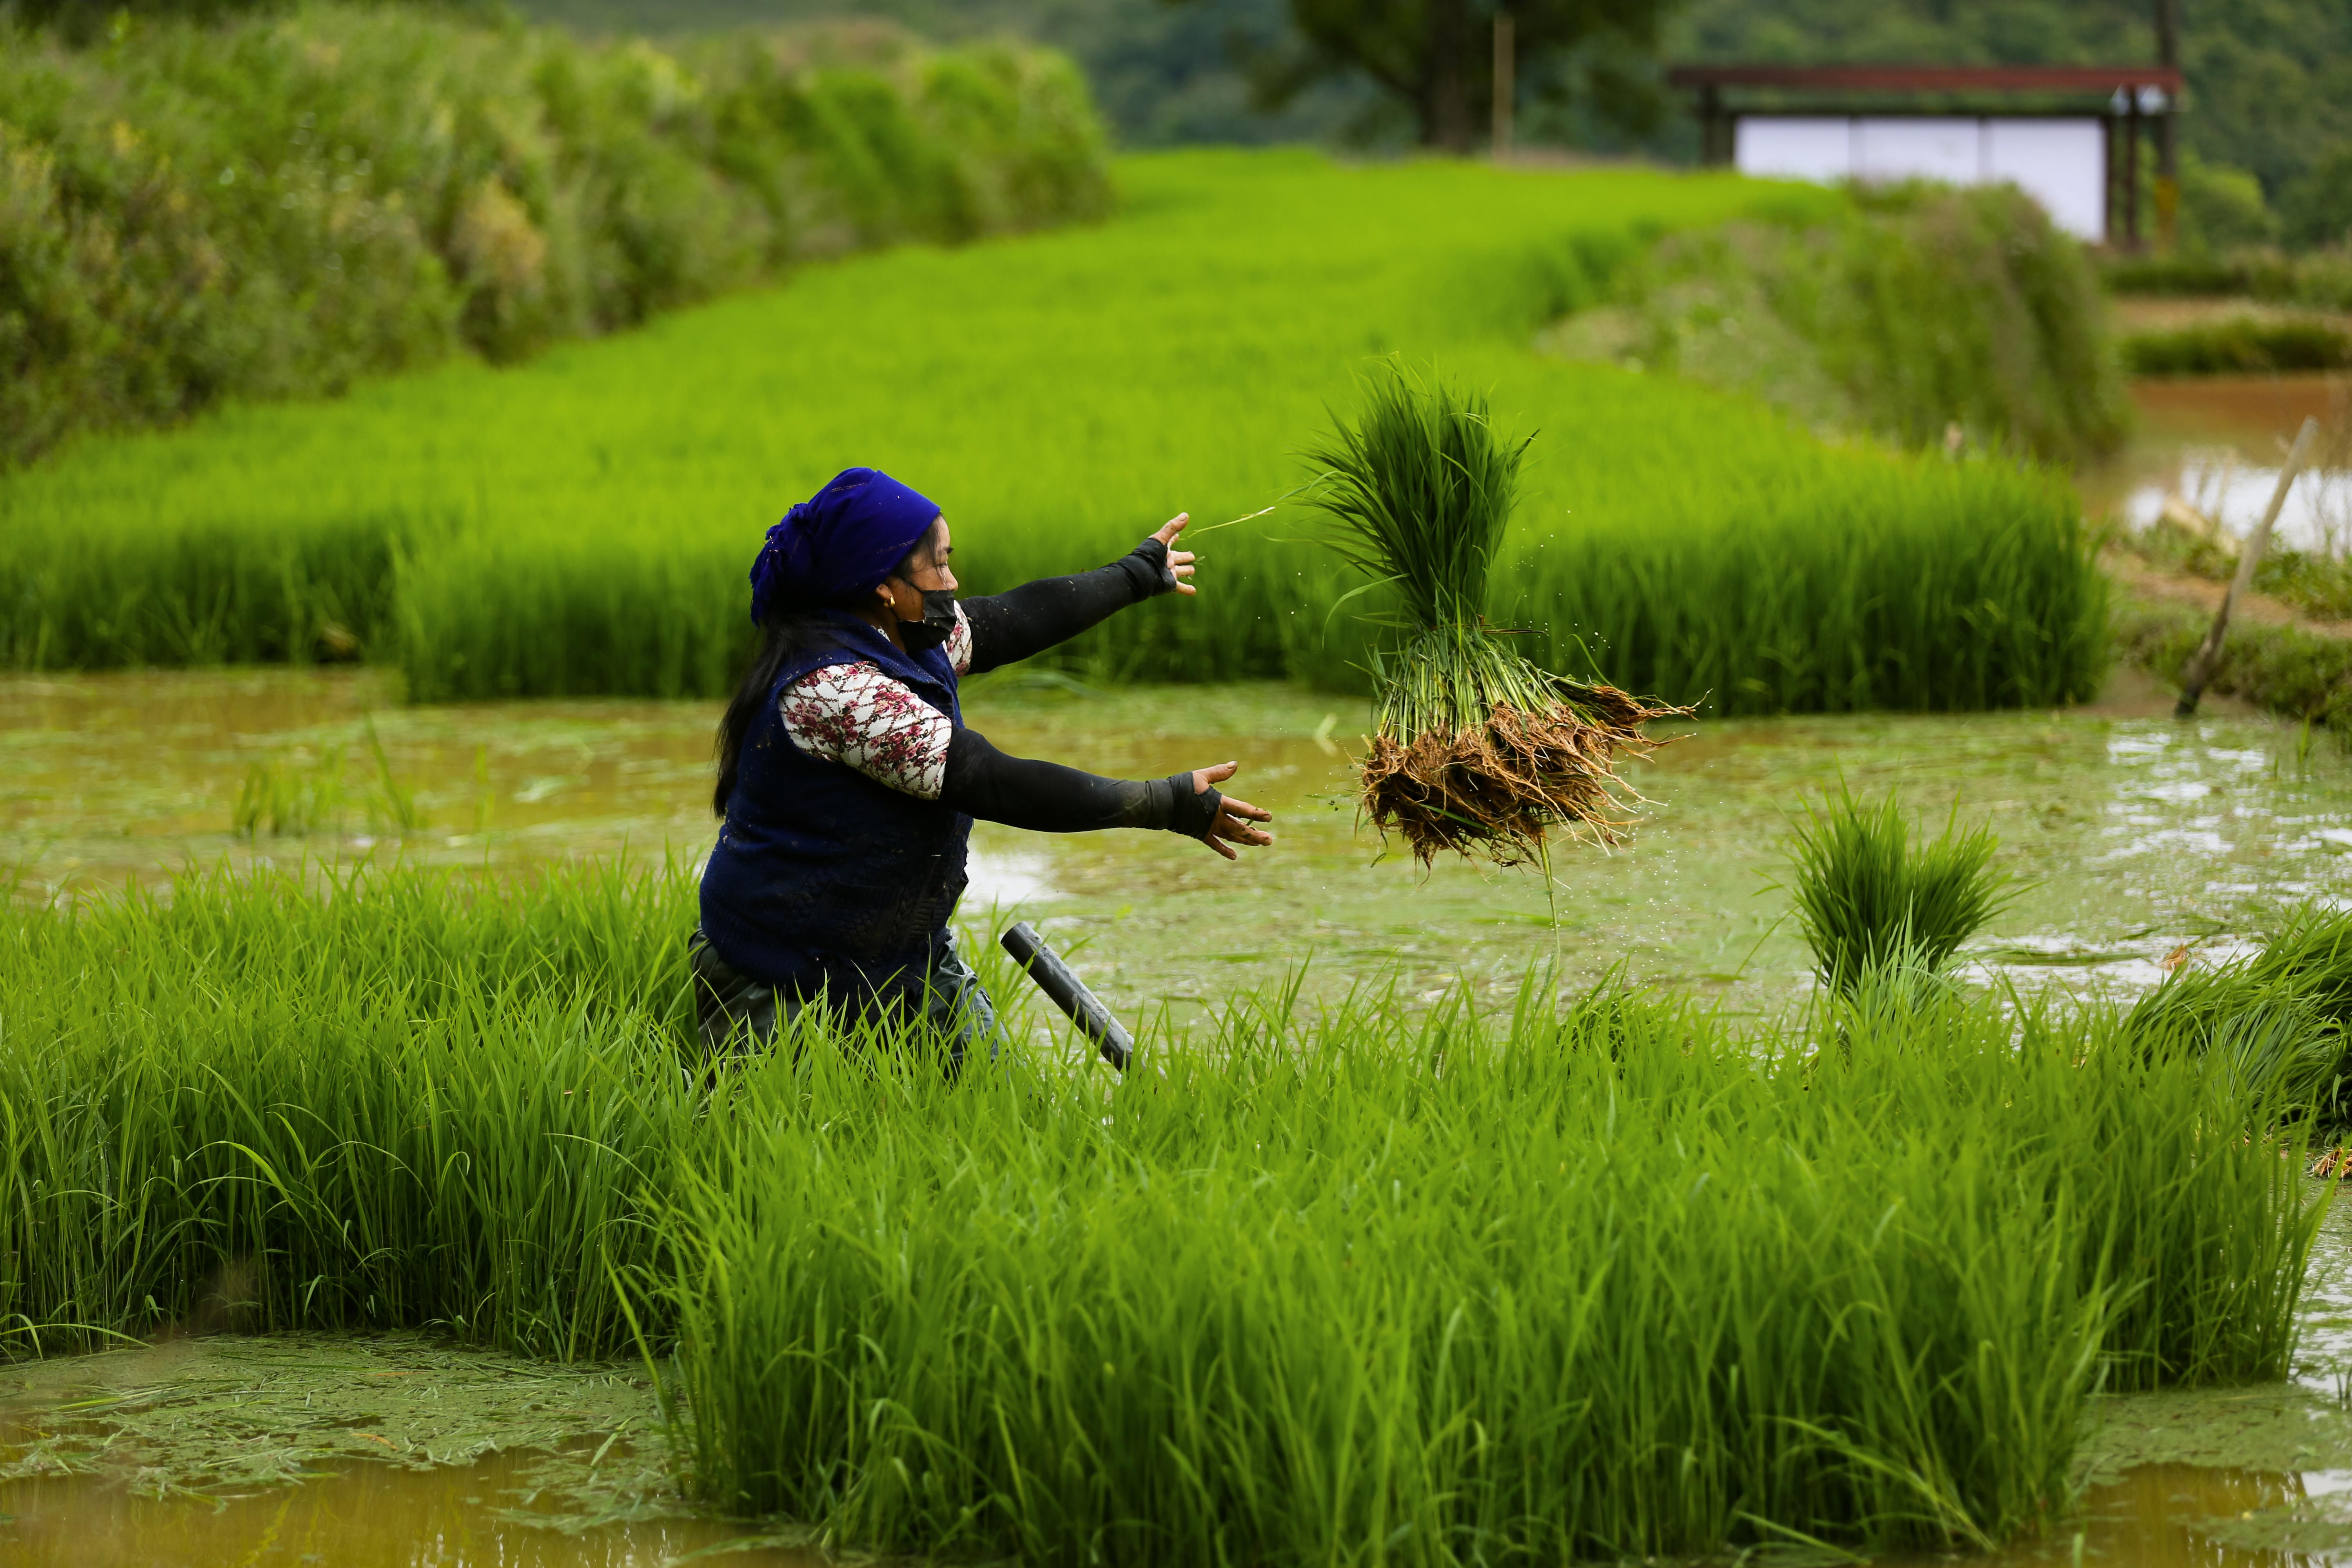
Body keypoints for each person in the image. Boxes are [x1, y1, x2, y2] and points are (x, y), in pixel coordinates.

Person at [691, 466, 1275, 1067]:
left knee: (1010, 1123)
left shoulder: (906, 636)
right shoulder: (837, 691)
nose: (953, 580)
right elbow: (991, 781)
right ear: (882, 585)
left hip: (902, 958)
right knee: (802, 1142)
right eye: (938, 565)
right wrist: (1165, 802)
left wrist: (1136, 574)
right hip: (784, 976)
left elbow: (1013, 619)